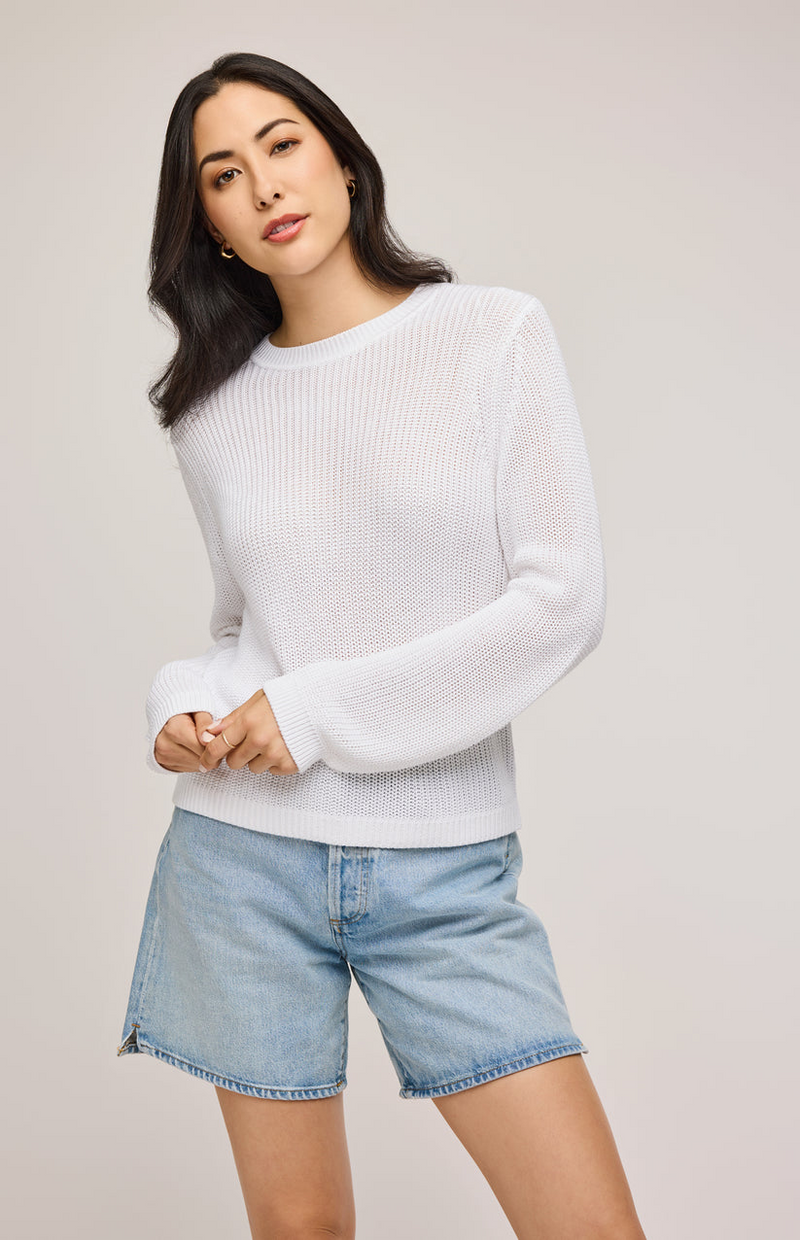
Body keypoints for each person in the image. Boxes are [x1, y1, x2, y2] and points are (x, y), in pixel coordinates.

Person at [117, 51, 647, 1240]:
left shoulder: (491, 336)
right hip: (241, 862)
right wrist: (181, 700)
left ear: (343, 160)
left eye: (282, 145)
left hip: (440, 866)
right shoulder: (211, 410)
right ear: (207, 226)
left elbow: (560, 599)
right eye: (222, 174)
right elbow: (241, 624)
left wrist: (314, 712)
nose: (263, 185)